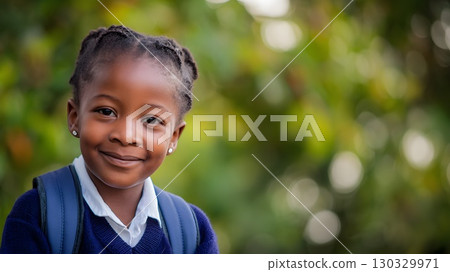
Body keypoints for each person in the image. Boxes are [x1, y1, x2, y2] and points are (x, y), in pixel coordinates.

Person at [0, 25, 219, 254]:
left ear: (173, 137)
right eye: (106, 112)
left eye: (152, 120)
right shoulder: (37, 215)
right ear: (75, 117)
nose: (125, 136)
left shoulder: (191, 232)